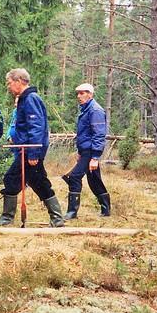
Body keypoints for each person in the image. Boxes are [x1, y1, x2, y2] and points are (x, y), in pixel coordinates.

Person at [0, 68, 65, 227]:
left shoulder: (30, 98)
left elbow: (36, 127)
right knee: (38, 182)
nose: (8, 86)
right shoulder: (25, 98)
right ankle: (57, 218)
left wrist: (33, 153)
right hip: (26, 149)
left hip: (30, 151)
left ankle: (7, 217)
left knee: (13, 179)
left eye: (9, 83)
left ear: (19, 81)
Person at [62, 83, 110, 219]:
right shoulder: (85, 109)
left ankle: (72, 212)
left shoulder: (95, 110)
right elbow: (84, 133)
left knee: (74, 177)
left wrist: (95, 157)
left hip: (91, 151)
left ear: (90, 94)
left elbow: (99, 134)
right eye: (78, 93)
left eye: (82, 93)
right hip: (85, 150)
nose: (79, 96)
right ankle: (106, 210)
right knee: (94, 179)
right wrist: (79, 151)